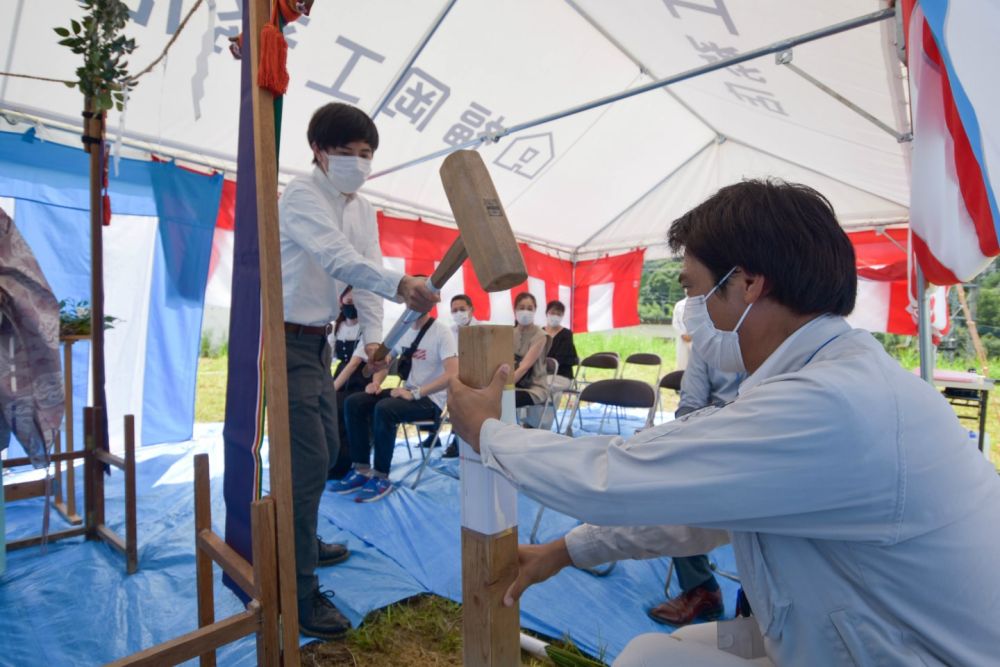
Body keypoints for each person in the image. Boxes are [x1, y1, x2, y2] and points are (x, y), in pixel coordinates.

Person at [448, 180, 1000, 666]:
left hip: (906, 649)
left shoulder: (834, 406)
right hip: (850, 628)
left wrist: (489, 432)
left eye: (693, 290)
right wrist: (563, 551)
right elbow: (697, 507)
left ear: (748, 283)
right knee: (664, 649)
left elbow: (621, 477)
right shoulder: (832, 379)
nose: (691, 313)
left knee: (651, 664)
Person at [279, 102, 437, 640]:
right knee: (305, 463)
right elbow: (335, 257)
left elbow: (363, 271)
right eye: (345, 153)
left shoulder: (362, 207)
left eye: (365, 154)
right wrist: (401, 285)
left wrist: (374, 338)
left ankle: (305, 545)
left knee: (325, 452)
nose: (356, 163)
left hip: (318, 342)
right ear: (319, 152)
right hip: (282, 340)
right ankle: (298, 591)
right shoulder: (301, 196)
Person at [647, 349, 743, 627]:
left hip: (764, 441)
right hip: (711, 437)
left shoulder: (788, 338)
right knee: (674, 489)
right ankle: (701, 588)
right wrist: (685, 441)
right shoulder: (709, 341)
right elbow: (691, 404)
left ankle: (756, 608)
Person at [333, 310, 457, 501]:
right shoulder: (403, 330)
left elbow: (452, 374)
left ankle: (381, 477)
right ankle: (361, 470)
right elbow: (385, 362)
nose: (412, 304)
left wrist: (416, 393)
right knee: (354, 402)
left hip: (431, 400)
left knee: (385, 408)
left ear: (431, 301)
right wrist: (376, 382)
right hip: (407, 393)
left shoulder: (442, 332)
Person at [328, 286, 366, 479]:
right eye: (347, 302)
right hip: (339, 377)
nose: (350, 306)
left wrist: (331, 389)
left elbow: (353, 365)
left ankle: (341, 463)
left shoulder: (367, 329)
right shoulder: (338, 328)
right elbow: (328, 356)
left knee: (337, 406)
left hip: (359, 381)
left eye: (354, 303)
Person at [511, 292, 550, 410]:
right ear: (515, 310)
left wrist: (502, 387)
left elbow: (524, 367)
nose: (525, 312)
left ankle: (508, 427)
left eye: (529, 308)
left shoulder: (541, 335)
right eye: (521, 308)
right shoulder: (510, 333)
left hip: (534, 388)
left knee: (501, 399)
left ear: (535, 310)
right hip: (512, 384)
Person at [542, 299, 578, 393]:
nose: (555, 316)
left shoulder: (566, 334)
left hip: (561, 376)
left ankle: (547, 407)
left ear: (562, 316)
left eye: (559, 314)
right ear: (547, 313)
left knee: (540, 385)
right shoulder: (539, 333)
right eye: (553, 312)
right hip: (541, 374)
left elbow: (559, 360)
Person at [673, 296, 692, 370]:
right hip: (682, 338)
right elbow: (675, 323)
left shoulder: (703, 303)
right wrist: (682, 334)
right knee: (682, 363)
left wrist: (693, 335)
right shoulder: (679, 304)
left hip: (696, 339)